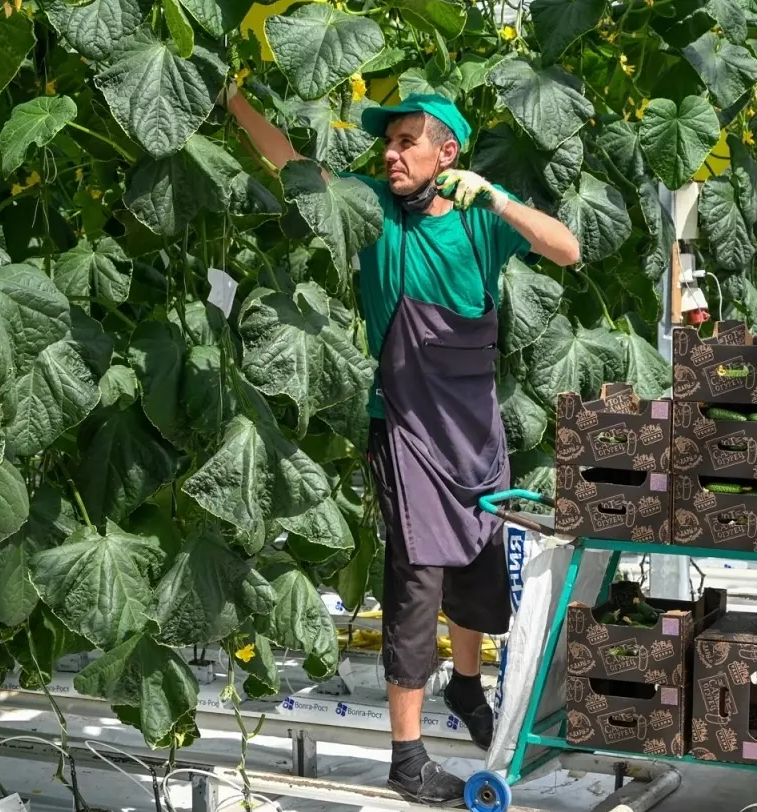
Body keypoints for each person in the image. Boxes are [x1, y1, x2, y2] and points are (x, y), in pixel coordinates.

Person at [223, 81, 581, 806]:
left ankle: (469, 690)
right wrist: (233, 98)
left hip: (475, 423)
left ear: (447, 154)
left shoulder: (483, 221)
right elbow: (291, 167)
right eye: (386, 142)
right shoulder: (372, 210)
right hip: (407, 424)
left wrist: (497, 198)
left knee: (480, 559)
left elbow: (569, 249)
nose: (389, 154)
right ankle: (407, 757)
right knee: (417, 578)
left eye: (404, 142)